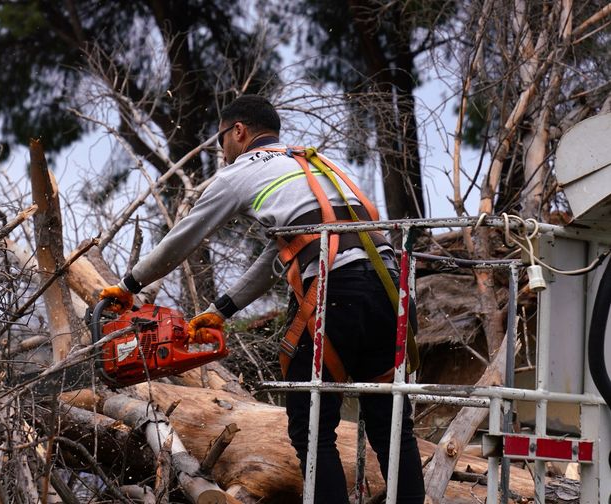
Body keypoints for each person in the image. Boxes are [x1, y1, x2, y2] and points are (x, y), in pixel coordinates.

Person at [99, 95, 425, 503]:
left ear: (238, 131)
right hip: (390, 290)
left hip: (337, 292)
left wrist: (130, 284)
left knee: (311, 429)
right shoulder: (315, 164)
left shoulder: (241, 173)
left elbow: (183, 238)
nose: (222, 152)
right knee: (391, 427)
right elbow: (283, 252)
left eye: (222, 141)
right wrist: (222, 309)